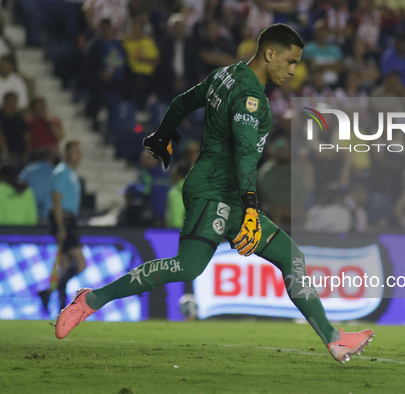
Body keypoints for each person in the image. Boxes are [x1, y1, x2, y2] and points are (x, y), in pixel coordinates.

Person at [54, 23, 373, 364]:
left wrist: (163, 136)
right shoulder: (252, 101)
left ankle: (334, 338)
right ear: (269, 54)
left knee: (291, 256)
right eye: (290, 60)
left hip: (228, 194)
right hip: (215, 192)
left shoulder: (224, 75)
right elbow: (245, 155)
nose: (294, 70)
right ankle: (91, 299)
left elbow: (182, 102)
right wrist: (251, 208)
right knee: (188, 267)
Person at [38, 141, 87, 314]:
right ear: (66, 153)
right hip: (63, 219)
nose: (78, 155)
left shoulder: (71, 173)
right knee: (81, 264)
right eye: (74, 151)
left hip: (69, 219)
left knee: (65, 265)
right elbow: (56, 200)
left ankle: (60, 307)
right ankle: (47, 292)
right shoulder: (62, 172)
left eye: (79, 151)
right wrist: (60, 225)